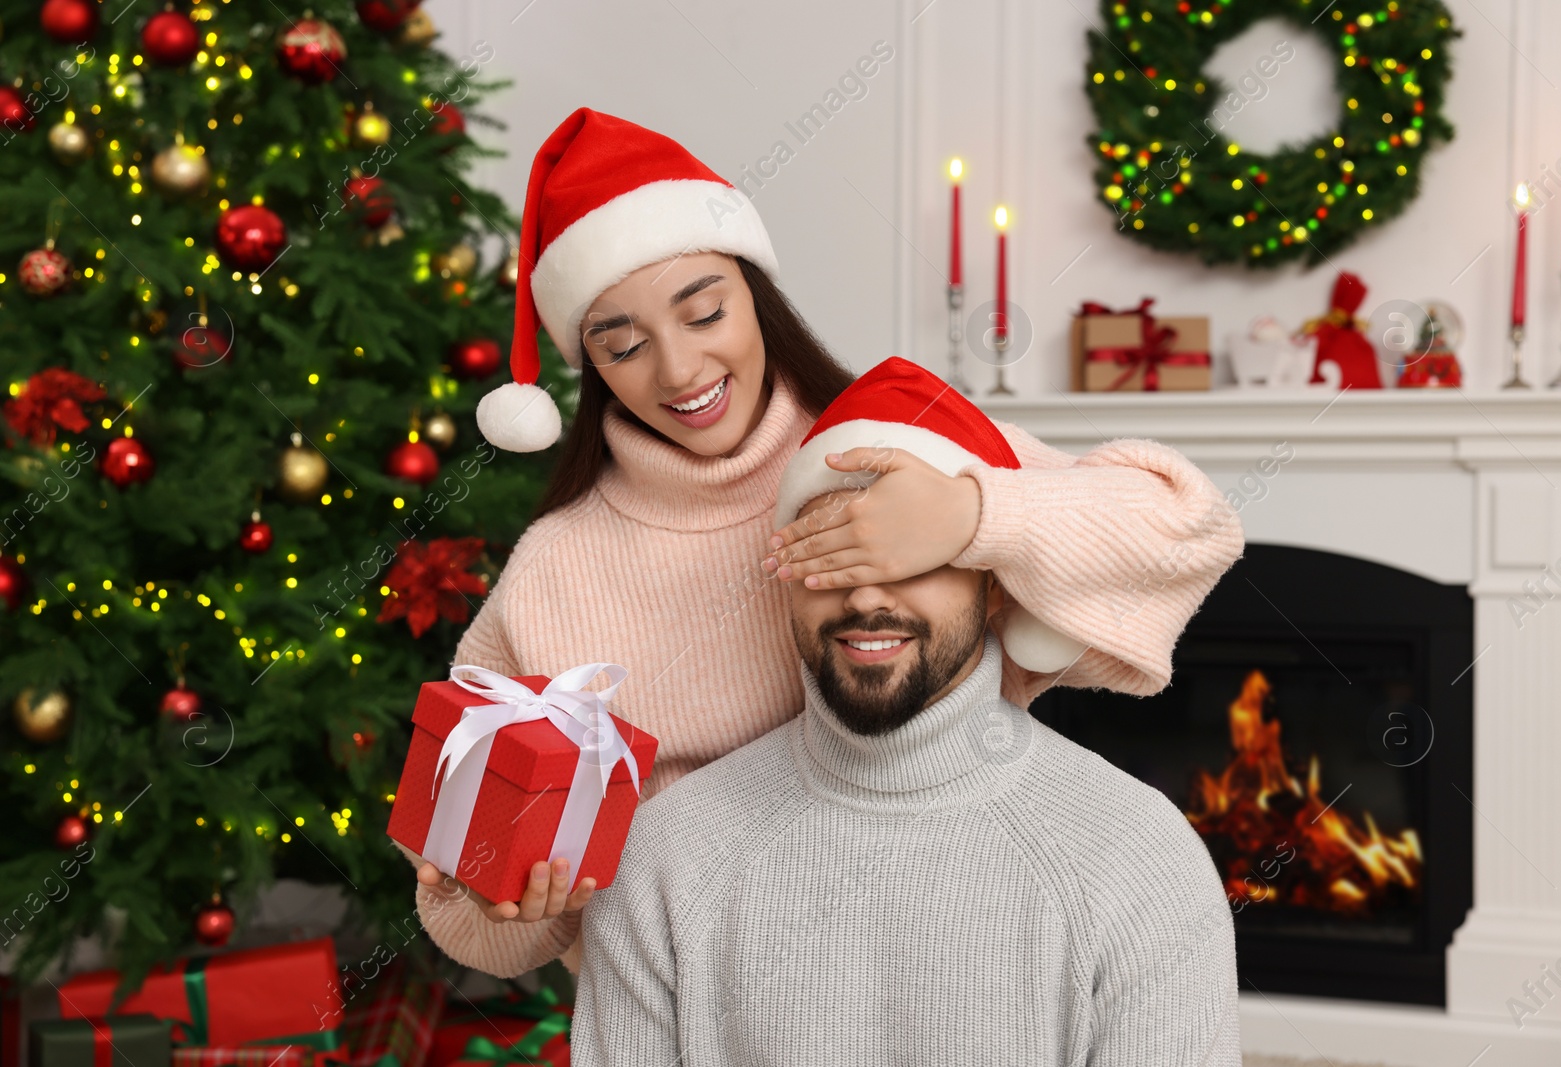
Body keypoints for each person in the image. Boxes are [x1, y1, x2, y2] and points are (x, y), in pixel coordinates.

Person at [395, 107, 1245, 981]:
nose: (680, 371)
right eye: (624, 346)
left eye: (705, 313)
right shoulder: (555, 569)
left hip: (945, 947)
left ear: (757, 299)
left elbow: (1191, 527)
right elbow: (459, 911)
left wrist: (972, 516)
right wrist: (532, 902)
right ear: (591, 367)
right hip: (703, 993)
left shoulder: (890, 449)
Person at [572, 360, 1242, 1066]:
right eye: (830, 553)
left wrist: (979, 510)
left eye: (915, 557)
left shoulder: (1139, 861)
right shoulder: (664, 859)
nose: (865, 598)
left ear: (994, 591)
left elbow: (1191, 517)